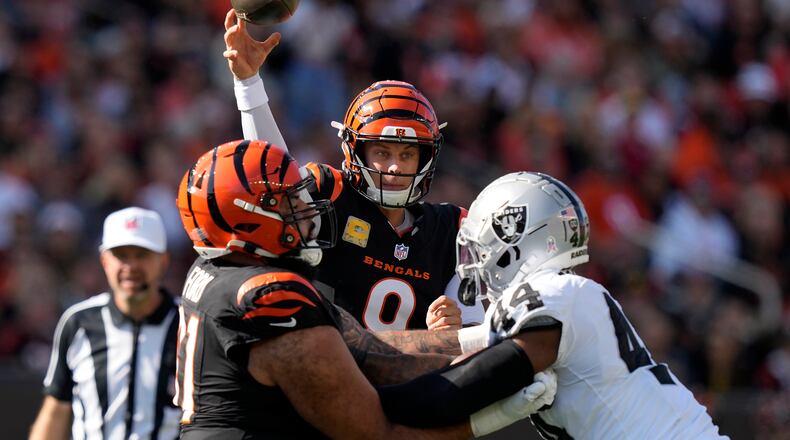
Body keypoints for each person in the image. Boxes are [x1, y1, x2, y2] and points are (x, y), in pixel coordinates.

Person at [173, 139, 557, 439]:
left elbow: (370, 346)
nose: (307, 209)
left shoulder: (217, 267)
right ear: (251, 217)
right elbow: (374, 432)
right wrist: (490, 415)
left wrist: (488, 339)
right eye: (290, 201)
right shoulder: (270, 296)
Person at [222, 9, 482, 331]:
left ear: (426, 159)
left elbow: (479, 335)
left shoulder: (450, 230)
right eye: (382, 151)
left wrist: (449, 332)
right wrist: (249, 82)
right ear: (354, 150)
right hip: (327, 372)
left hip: (408, 379)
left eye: (407, 154)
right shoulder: (332, 196)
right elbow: (275, 175)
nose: (394, 166)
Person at [454, 171, 729, 439]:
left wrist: (417, 351)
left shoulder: (554, 293)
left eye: (482, 251)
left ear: (514, 238)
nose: (477, 264)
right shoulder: (569, 297)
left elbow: (452, 389)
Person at [29, 207, 180, 440]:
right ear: (104, 260)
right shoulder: (78, 322)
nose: (130, 266)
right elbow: (56, 410)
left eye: (141, 254)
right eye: (121, 255)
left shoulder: (190, 323)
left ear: (163, 260)